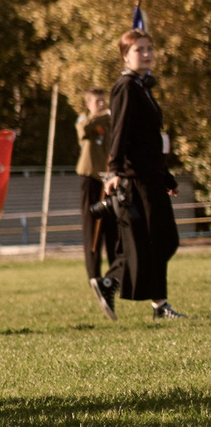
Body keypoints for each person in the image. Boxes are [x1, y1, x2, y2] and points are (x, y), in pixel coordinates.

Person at [107, 30, 186, 320]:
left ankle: (135, 293)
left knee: (163, 240)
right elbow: (120, 132)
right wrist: (114, 169)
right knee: (158, 240)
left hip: (151, 173)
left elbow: (149, 138)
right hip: (135, 176)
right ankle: (154, 302)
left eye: (150, 48)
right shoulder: (126, 86)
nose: (147, 53)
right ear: (125, 55)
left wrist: (165, 176)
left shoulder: (142, 86)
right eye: (140, 49)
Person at [73, 87, 119, 315]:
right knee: (93, 230)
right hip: (90, 179)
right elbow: (84, 131)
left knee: (113, 228)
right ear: (89, 104)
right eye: (97, 101)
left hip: (108, 179)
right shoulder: (85, 121)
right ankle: (94, 276)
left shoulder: (111, 122)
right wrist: (104, 115)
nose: (102, 104)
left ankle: (113, 278)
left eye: (104, 101)